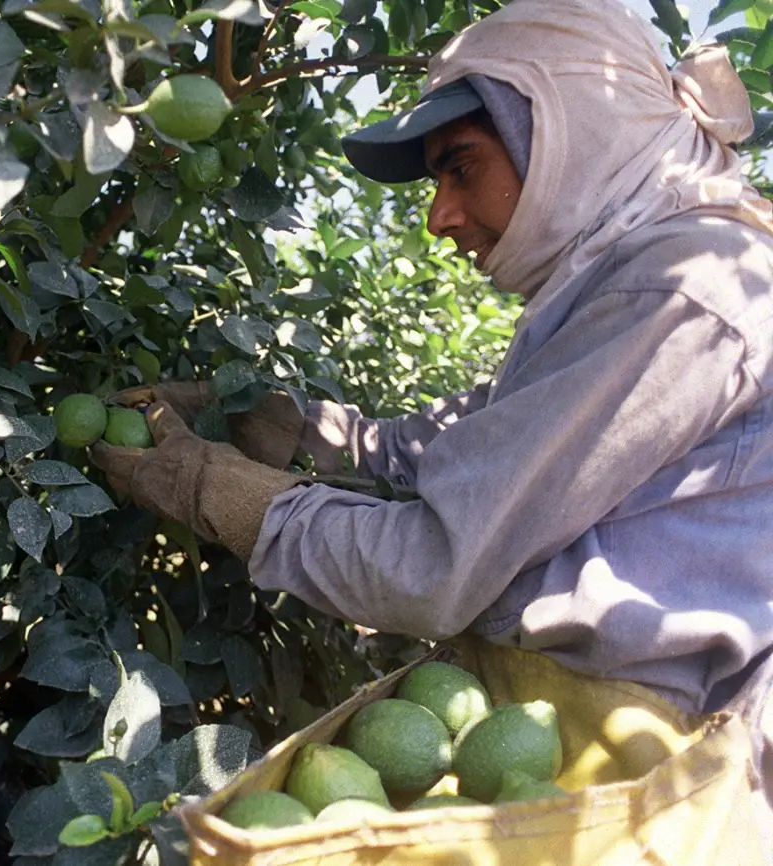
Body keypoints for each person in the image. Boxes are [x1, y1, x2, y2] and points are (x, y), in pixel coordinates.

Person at [93, 0, 773, 798]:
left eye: (462, 166)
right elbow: (450, 450)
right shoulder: (613, 288)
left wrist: (221, 492)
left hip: (629, 765)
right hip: (530, 726)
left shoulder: (684, 287)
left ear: (571, 133)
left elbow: (435, 565)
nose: (440, 215)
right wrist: (262, 418)